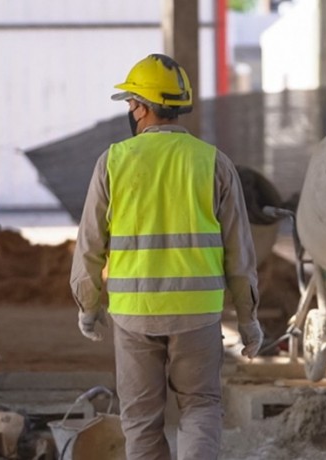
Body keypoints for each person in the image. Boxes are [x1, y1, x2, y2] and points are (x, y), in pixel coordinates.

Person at [70, 53, 264, 460]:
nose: (130, 110)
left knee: (140, 417)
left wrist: (88, 306)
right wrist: (247, 319)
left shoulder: (113, 162)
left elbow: (89, 246)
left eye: (130, 103)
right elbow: (239, 254)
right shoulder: (214, 163)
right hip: (198, 315)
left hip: (134, 314)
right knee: (200, 407)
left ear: (142, 107)